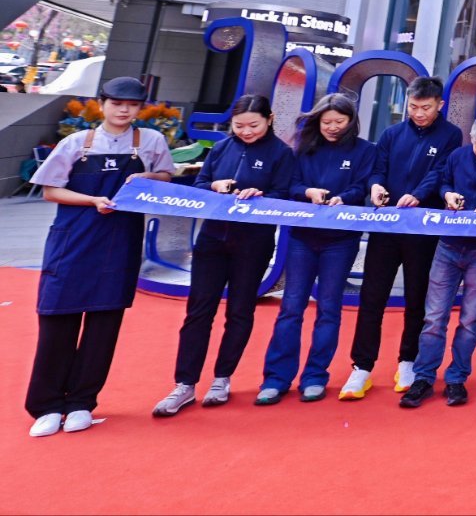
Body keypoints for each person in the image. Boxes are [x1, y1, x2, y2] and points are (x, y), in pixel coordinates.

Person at [25, 76, 174, 437]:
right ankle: (46, 405)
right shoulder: (77, 142)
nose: (124, 110)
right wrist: (91, 200)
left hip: (119, 242)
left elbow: (166, 177)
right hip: (73, 241)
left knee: (104, 325)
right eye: (116, 103)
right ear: (102, 104)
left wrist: (149, 176)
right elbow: (50, 190)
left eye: (132, 105)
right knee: (58, 318)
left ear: (141, 108)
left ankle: (81, 402)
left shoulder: (151, 141)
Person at [153, 94, 294, 417]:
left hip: (253, 243)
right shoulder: (221, 148)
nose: (246, 131)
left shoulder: (281, 153)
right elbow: (200, 184)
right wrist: (214, 186)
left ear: (269, 119)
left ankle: (222, 378)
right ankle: (184, 383)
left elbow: (285, 195)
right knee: (198, 311)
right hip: (212, 239)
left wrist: (261, 195)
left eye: (253, 125)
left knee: (240, 311)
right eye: (239, 125)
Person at [340, 76, 462, 400]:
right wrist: (376, 187)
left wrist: (417, 195)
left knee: (417, 298)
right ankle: (361, 367)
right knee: (372, 297)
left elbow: (440, 173)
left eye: (426, 107)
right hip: (387, 228)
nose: (419, 113)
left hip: (423, 230)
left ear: (440, 105)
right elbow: (377, 169)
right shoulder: (391, 134)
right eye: (413, 107)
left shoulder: (451, 135)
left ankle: (408, 361)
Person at [257, 94, 378, 404]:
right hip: (302, 237)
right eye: (327, 122)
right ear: (317, 121)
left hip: (341, 239)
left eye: (340, 122)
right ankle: (276, 378)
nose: (333, 127)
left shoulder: (365, 150)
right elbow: (290, 185)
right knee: (291, 306)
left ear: (351, 122)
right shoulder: (303, 148)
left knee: (328, 308)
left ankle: (315, 376)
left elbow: (362, 187)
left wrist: (344, 198)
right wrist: (308, 192)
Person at [399, 114, 476, 408]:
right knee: (434, 316)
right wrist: (448, 195)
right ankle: (423, 378)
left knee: (470, 318)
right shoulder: (457, 157)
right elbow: (443, 182)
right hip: (448, 244)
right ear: (471, 139)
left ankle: (457, 378)